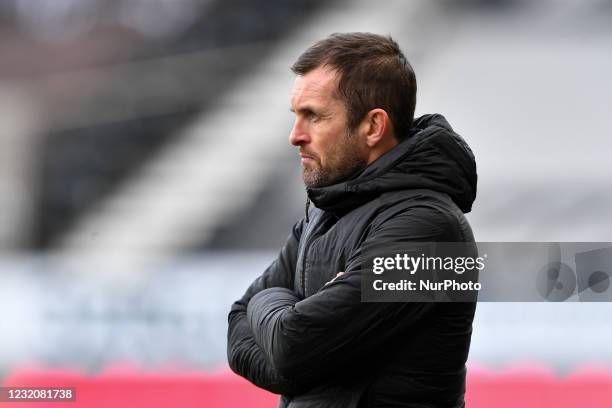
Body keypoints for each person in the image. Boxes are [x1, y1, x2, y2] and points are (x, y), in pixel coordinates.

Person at [227, 32, 477, 408]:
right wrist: (286, 323)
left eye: (313, 116)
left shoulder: (430, 230)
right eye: (296, 116)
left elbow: (292, 346)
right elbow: (238, 324)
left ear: (373, 126)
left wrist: (269, 305)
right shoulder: (323, 211)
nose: (295, 136)